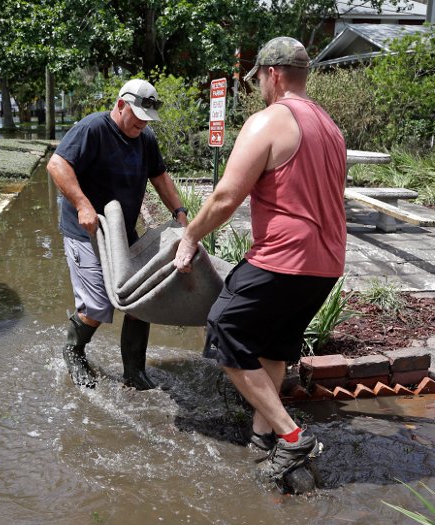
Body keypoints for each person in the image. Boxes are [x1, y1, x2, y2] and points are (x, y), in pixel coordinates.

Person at [173, 37, 347, 482]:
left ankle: (292, 436)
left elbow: (228, 195)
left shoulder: (268, 121)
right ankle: (262, 438)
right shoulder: (330, 127)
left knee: (226, 328)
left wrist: (190, 236)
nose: (258, 90)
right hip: (326, 264)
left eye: (259, 82)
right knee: (272, 344)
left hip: (283, 258)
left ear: (272, 74)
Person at [47, 78, 188, 390]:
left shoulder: (145, 138)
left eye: (146, 120)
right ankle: (73, 350)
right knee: (98, 304)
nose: (141, 124)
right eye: (137, 116)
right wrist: (82, 204)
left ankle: (134, 371)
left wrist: (180, 213)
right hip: (85, 230)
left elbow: (160, 177)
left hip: (121, 232)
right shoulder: (93, 128)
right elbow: (57, 165)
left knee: (141, 296)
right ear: (121, 104)